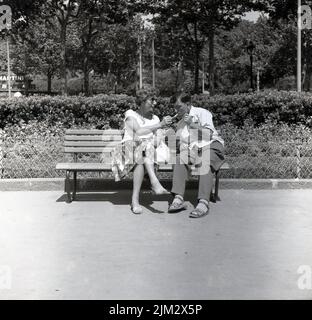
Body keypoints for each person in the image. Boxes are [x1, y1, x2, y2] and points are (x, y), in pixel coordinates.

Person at [112, 93, 172, 214]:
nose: (155, 103)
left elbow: (158, 139)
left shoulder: (155, 119)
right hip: (127, 150)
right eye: (152, 100)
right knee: (142, 149)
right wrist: (159, 126)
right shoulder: (130, 114)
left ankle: (135, 201)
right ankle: (154, 182)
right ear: (142, 101)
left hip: (145, 153)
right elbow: (138, 131)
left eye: (155, 100)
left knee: (141, 158)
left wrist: (157, 137)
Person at [168, 93, 225, 218]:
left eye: (179, 107)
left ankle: (203, 203)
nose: (176, 110)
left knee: (205, 160)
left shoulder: (202, 113)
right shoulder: (181, 122)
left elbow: (208, 134)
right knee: (179, 158)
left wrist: (192, 124)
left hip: (211, 145)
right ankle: (178, 199)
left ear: (188, 104)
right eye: (174, 108)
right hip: (194, 149)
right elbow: (183, 144)